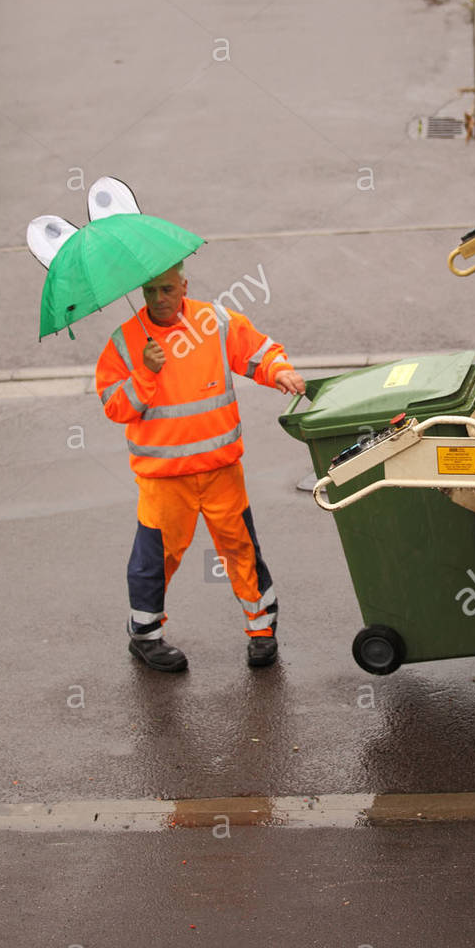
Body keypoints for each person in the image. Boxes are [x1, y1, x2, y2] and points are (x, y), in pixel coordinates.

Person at [95, 262, 305, 672]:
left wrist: (279, 371)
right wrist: (145, 373)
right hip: (163, 479)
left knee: (240, 549)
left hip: (220, 470)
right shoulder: (125, 342)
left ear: (184, 286)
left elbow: (257, 353)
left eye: (167, 289)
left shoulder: (215, 321)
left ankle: (262, 631)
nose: (159, 299)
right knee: (156, 558)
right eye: (151, 291)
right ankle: (145, 636)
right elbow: (115, 406)